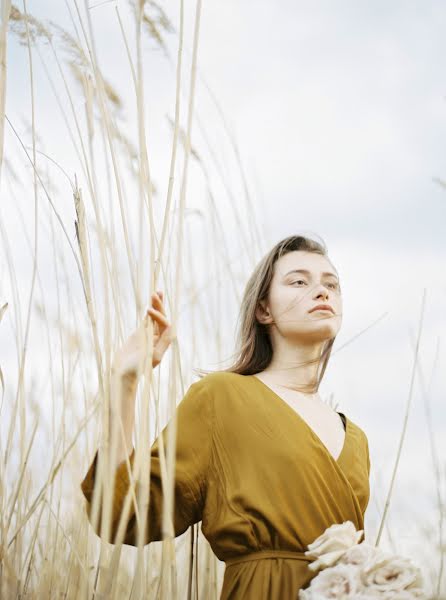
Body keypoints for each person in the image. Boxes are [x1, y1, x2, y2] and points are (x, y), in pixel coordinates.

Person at [80, 234, 371, 599]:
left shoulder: (356, 439)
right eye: (299, 281)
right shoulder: (221, 398)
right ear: (263, 309)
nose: (322, 291)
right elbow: (125, 514)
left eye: (332, 284)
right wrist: (124, 383)